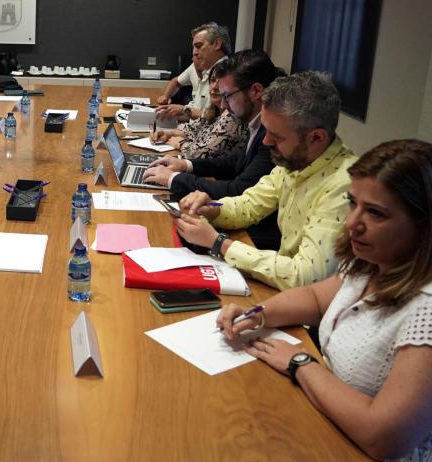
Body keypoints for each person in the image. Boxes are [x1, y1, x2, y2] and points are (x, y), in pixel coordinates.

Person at [215, 139, 432, 462]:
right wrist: (257, 313)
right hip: (325, 425)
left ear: (424, 227)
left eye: (375, 212)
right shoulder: (374, 261)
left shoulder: (426, 311)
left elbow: (382, 437)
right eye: (353, 203)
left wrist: (300, 363)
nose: (352, 223)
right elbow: (316, 298)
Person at [172, 71, 356, 289]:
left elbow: (305, 277)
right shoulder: (298, 160)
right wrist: (212, 208)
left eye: (276, 136)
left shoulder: (346, 187)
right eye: (266, 131)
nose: (266, 141)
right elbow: (249, 205)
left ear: (316, 137)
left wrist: (219, 243)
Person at [145, 50, 284, 249]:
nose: (224, 104)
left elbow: (239, 190)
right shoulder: (254, 123)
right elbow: (233, 163)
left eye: (228, 95)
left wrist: (173, 178)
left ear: (256, 91)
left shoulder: (273, 135)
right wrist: (186, 165)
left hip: (256, 237)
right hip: (240, 223)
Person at [152, 64, 248, 161]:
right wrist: (168, 133)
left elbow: (201, 154)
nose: (214, 87)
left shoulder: (231, 117)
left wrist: (181, 143)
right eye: (213, 80)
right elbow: (192, 130)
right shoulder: (213, 110)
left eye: (220, 82)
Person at [155, 22, 231, 122]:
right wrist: (172, 113)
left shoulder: (228, 74)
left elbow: (216, 121)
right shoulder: (206, 69)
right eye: (194, 47)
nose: (194, 52)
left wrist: (184, 110)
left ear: (217, 44)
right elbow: (198, 119)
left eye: (199, 46)